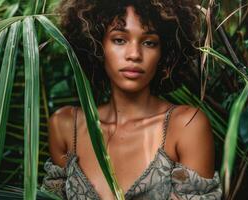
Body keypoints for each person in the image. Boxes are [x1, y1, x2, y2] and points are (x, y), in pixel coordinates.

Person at [42, 0, 222, 199]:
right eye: (119, 40)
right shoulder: (66, 126)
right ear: (95, 44)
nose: (134, 55)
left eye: (149, 42)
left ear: (164, 51)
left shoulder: (186, 126)